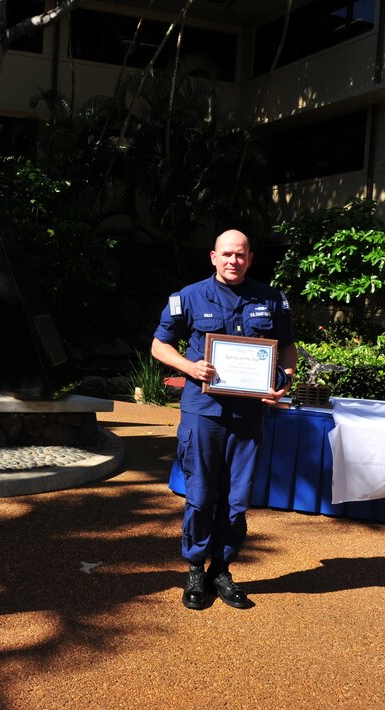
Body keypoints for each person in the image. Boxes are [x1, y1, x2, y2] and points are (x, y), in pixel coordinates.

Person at [151, 228, 297, 611]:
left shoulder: (271, 299)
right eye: (227, 254)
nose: (234, 260)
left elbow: (289, 348)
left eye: (241, 254)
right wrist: (189, 366)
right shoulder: (188, 297)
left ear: (250, 259)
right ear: (213, 257)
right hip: (203, 414)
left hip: (248, 416)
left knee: (236, 499)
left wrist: (284, 381)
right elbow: (158, 345)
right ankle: (196, 568)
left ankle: (222, 569)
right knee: (200, 496)